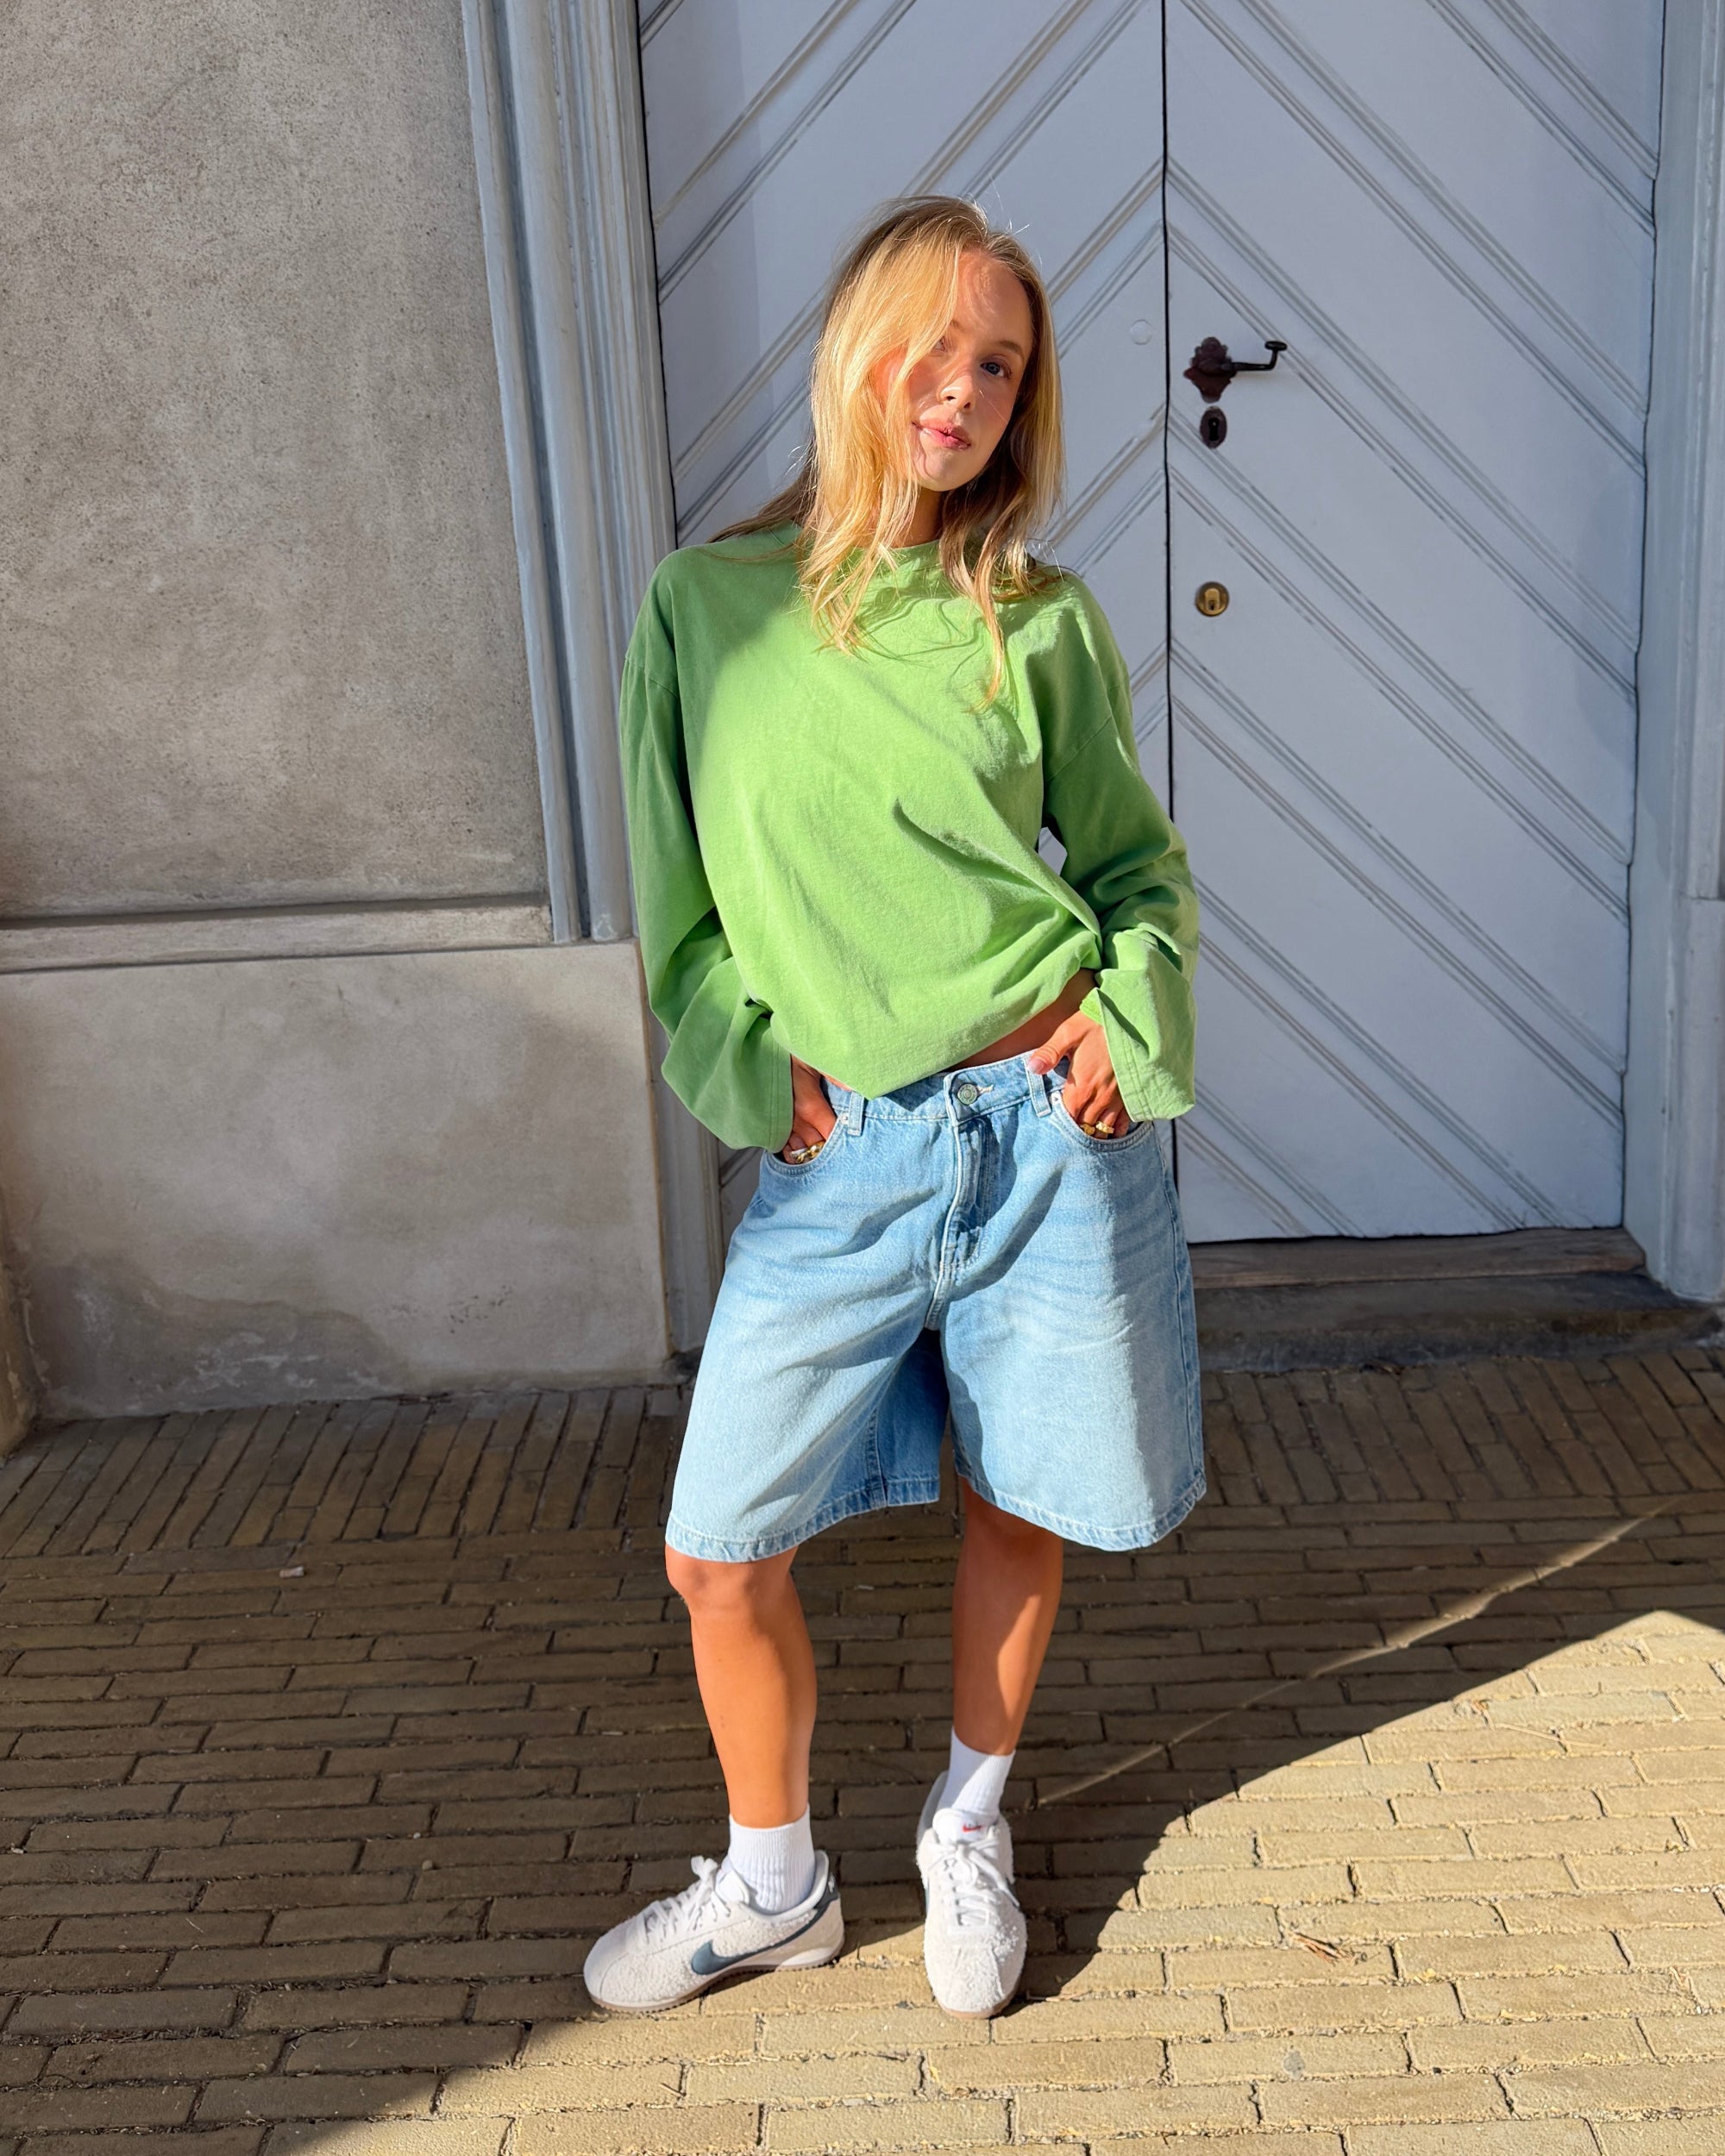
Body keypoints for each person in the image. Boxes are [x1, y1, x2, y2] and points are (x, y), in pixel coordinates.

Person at [584, 196, 1202, 2021]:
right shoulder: (706, 609)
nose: (964, 390)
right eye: (935, 346)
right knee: (715, 1552)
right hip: (846, 1152)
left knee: (1021, 1498)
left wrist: (1130, 1019)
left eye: (1000, 364)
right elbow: (678, 912)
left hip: (1046, 1139)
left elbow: (1136, 869)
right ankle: (771, 1883)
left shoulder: (1041, 622)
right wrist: (745, 1065)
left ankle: (967, 1817)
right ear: (855, 350)